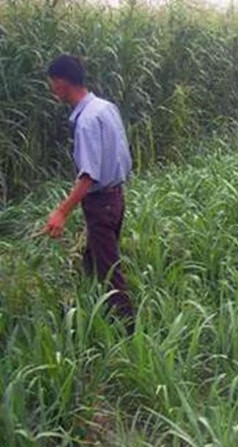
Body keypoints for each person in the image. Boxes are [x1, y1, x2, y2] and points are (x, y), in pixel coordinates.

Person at [44, 54, 134, 330]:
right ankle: (86, 307)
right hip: (117, 196)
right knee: (93, 257)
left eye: (51, 84)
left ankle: (127, 331)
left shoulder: (86, 121)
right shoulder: (105, 107)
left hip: (101, 202)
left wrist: (61, 212)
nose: (51, 89)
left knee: (109, 272)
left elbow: (87, 177)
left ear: (61, 83)